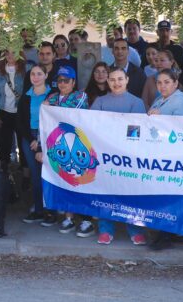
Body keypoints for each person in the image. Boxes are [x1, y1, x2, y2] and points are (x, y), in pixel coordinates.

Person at [89, 67, 147, 245]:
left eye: (120, 79)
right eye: (112, 79)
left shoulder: (136, 102)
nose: (116, 83)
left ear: (127, 80)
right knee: (105, 192)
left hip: (128, 156)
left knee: (130, 193)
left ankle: (135, 230)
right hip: (104, 155)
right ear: (107, 81)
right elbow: (92, 126)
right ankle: (106, 230)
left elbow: (136, 131)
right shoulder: (100, 101)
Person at [45, 65, 89, 234]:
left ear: (73, 82)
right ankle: (69, 218)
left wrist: (51, 107)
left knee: (82, 183)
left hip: (79, 147)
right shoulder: (54, 96)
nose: (62, 84)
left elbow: (70, 112)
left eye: (66, 80)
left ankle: (86, 220)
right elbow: (46, 118)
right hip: (61, 147)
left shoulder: (80, 95)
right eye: (59, 80)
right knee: (65, 181)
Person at [17, 64, 53, 225]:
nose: (36, 77)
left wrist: (40, 141)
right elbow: (20, 123)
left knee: (50, 174)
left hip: (49, 137)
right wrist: (32, 140)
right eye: (33, 74)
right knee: (35, 175)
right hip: (29, 138)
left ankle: (51, 212)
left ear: (46, 75)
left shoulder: (52, 95)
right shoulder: (25, 97)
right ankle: (39, 210)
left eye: (39, 74)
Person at [0, 49, 25, 173]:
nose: (10, 55)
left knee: (22, 142)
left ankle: (24, 169)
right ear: (4, 55)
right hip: (4, 111)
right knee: (4, 142)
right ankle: (5, 168)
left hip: (19, 113)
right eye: (8, 53)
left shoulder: (25, 71)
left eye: (13, 52)